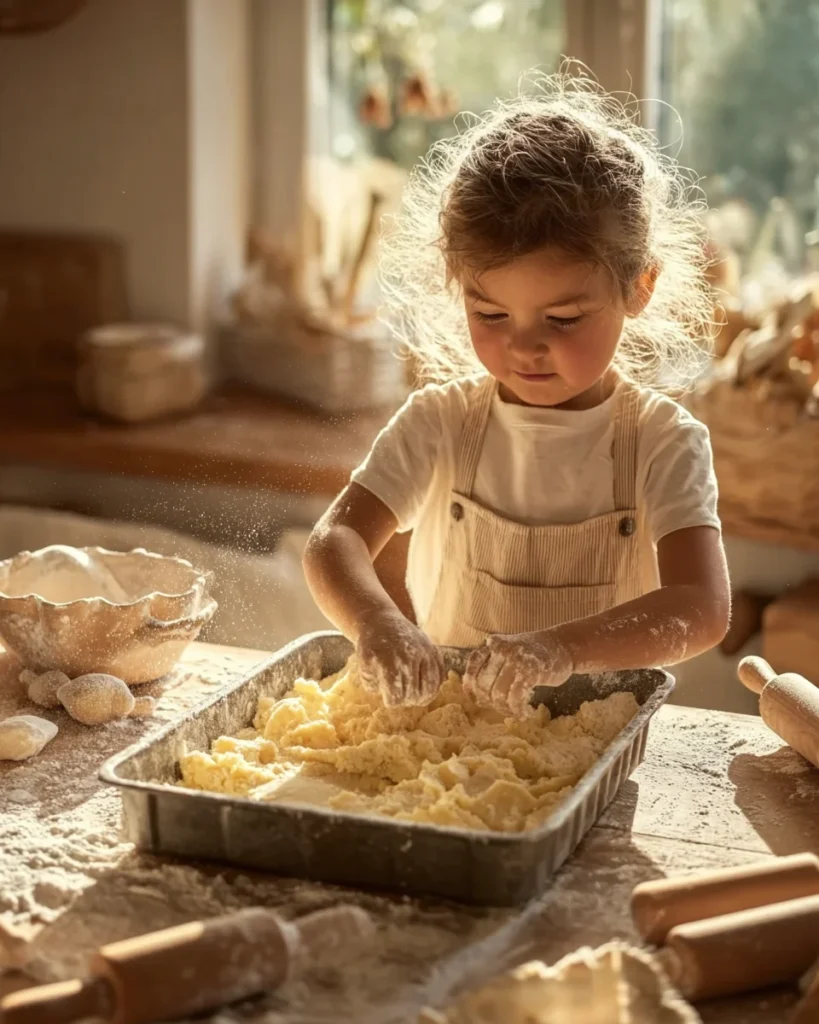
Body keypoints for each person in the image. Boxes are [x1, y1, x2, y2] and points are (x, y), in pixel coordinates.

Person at [304, 70, 730, 718]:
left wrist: (559, 650)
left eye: (562, 319)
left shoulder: (661, 442)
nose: (525, 347)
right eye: (491, 314)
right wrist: (375, 622)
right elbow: (334, 540)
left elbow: (700, 608)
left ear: (638, 287)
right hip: (453, 741)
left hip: (597, 739)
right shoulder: (440, 423)